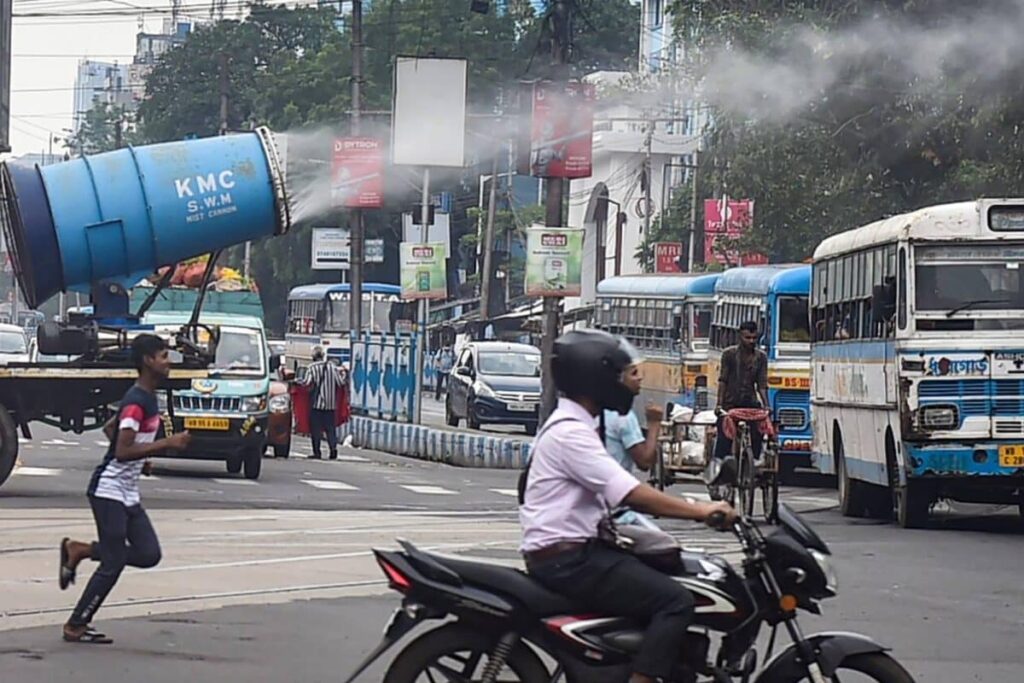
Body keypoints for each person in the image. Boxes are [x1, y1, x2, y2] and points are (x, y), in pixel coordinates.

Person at [520, 329, 735, 683]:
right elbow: (630, 491)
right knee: (676, 601)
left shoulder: (575, 425)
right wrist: (701, 511)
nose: (624, 383)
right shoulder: (571, 433)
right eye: (618, 374)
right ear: (595, 378)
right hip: (570, 560)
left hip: (576, 552)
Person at [57, 334, 191, 644]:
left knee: (148, 553)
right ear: (147, 361)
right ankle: (76, 624)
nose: (168, 361)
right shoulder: (136, 400)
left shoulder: (144, 397)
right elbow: (120, 451)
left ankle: (80, 550)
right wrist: (164, 444)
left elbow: (110, 429)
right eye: (163, 356)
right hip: (109, 492)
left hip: (126, 491)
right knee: (114, 562)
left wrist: (141, 455)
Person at [713, 320, 769, 461]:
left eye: (754, 338)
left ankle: (753, 462)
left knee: (758, 433)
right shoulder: (729, 355)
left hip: (750, 403)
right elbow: (723, 380)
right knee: (724, 437)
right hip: (730, 403)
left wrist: (767, 405)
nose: (751, 341)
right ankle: (719, 466)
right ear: (740, 336)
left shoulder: (761, 357)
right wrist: (719, 405)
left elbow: (762, 384)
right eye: (747, 338)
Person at [300, 346, 348, 460]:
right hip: (331, 405)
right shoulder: (332, 367)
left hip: (316, 405)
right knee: (330, 429)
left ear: (313, 357)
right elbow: (340, 383)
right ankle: (333, 450)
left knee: (315, 430)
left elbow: (307, 383)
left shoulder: (312, 368)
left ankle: (317, 452)